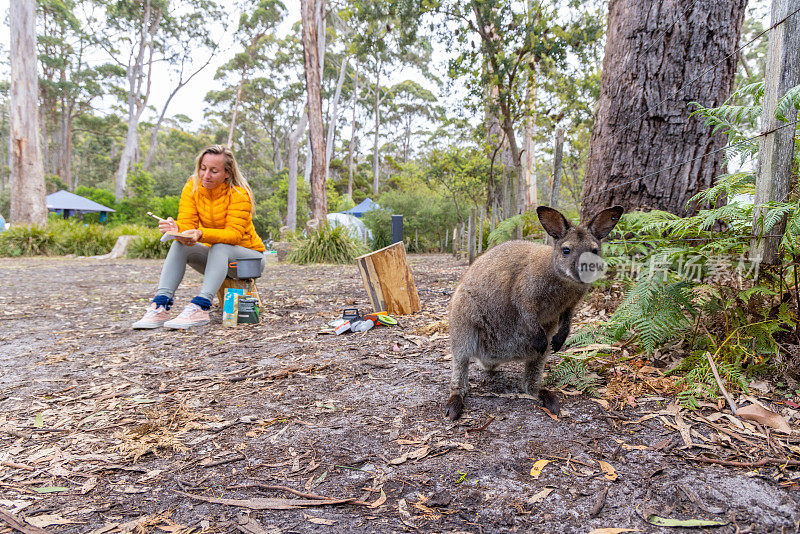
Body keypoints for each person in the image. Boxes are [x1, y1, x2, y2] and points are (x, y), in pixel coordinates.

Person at [133, 145, 265, 329]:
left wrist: (201, 233)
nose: (205, 175)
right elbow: (188, 226)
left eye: (213, 171)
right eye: (203, 168)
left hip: (248, 262)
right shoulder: (192, 186)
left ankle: (201, 306)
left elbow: (234, 235)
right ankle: (160, 305)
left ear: (227, 172)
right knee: (180, 245)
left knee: (220, 246)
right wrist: (177, 229)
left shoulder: (239, 193)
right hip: (216, 261)